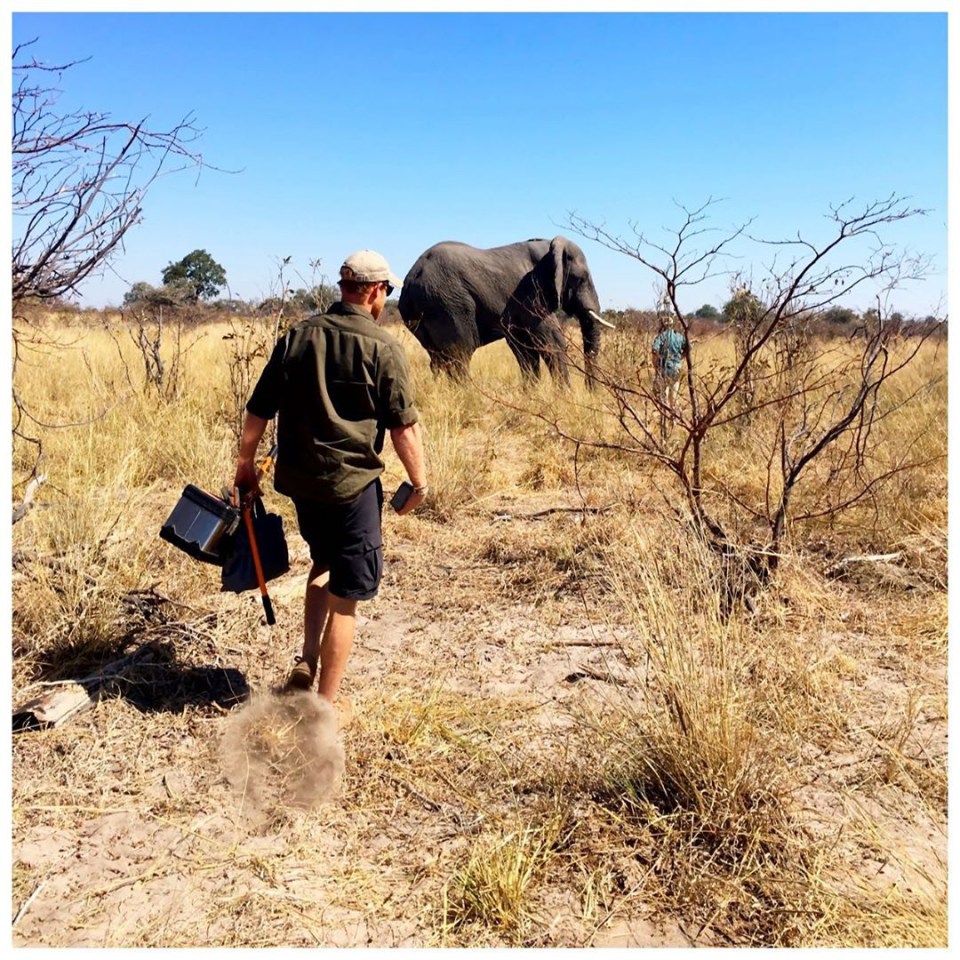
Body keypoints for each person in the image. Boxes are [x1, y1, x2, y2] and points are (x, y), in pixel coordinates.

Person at [234, 250, 427, 727]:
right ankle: (324, 707)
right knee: (348, 595)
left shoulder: (298, 335)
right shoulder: (384, 347)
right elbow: (403, 428)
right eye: (389, 292)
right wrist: (419, 482)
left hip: (301, 484)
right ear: (377, 290)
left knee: (322, 562)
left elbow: (258, 410)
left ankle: (306, 658)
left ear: (344, 287)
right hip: (352, 486)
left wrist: (245, 468)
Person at [651, 304, 689, 418]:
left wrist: (656, 364)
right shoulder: (679, 336)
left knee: (663, 394)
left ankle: (665, 418)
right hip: (677, 368)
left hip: (664, 368)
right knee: (674, 395)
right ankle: (675, 419)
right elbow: (688, 348)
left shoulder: (661, 336)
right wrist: (680, 358)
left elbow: (654, 350)